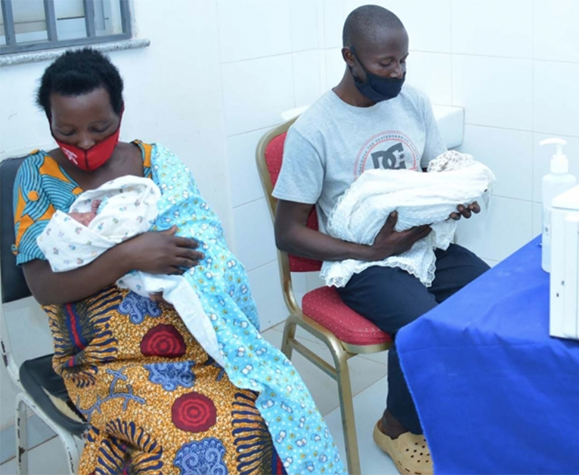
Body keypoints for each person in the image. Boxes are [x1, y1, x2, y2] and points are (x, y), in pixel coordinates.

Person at [13, 48, 346, 475]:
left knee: (266, 407)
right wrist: (129, 254)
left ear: (121, 112)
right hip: (102, 353)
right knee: (194, 436)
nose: (84, 144)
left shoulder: (157, 162)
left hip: (190, 330)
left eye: (100, 128)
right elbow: (44, 284)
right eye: (67, 131)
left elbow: (204, 252)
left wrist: (146, 257)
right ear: (49, 121)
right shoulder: (37, 176)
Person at [272, 5, 490, 475]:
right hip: (362, 261)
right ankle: (395, 425)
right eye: (384, 64)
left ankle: (453, 404)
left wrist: (456, 195)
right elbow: (287, 233)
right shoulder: (313, 131)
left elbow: (437, 170)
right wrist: (372, 252)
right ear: (349, 57)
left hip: (421, 244)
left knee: (492, 297)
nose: (397, 73)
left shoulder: (412, 102)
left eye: (403, 61)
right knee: (422, 323)